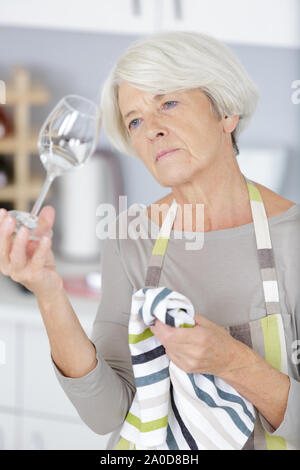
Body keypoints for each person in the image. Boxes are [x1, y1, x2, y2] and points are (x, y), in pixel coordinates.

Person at [0, 31, 299, 450]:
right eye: (135, 120)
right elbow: (107, 413)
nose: (151, 130)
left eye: (169, 103)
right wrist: (48, 291)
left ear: (226, 113)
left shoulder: (294, 238)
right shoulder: (130, 238)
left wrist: (233, 362)